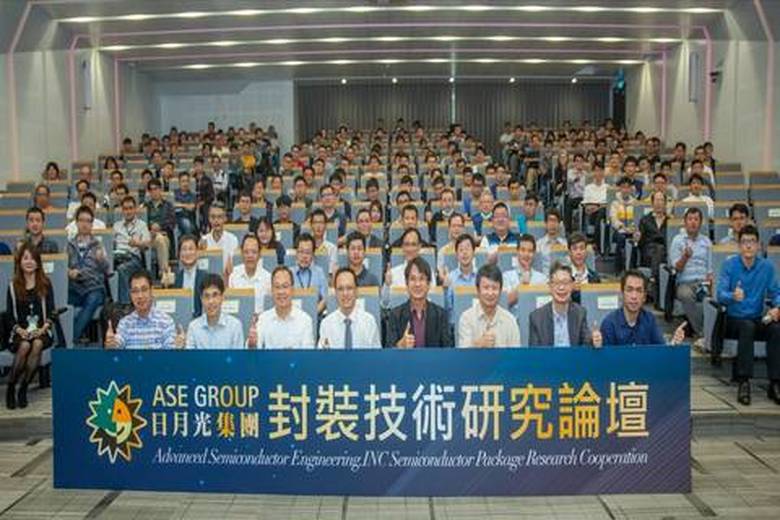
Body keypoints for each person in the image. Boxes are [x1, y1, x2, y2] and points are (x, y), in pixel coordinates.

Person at [715, 225, 780, 406]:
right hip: (733, 320)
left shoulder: (767, 267)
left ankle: (775, 383)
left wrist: (778, 307)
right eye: (744, 242)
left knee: (776, 329)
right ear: (739, 246)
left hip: (757, 318)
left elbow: (776, 293)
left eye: (752, 241)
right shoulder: (730, 265)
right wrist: (732, 296)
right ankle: (743, 382)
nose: (748, 246)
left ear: (759, 245)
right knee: (747, 326)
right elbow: (720, 294)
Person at [4, 243, 56, 409]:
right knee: (25, 345)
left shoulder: (45, 284)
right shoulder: (13, 286)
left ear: (38, 263)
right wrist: (20, 330)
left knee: (38, 343)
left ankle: (24, 388)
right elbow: (9, 316)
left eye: (33, 259)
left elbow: (52, 312)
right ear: (19, 262)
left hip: (42, 331)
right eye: (25, 258)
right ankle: (11, 386)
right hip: (19, 332)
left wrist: (43, 328)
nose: (29, 262)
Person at [601, 270, 686, 346]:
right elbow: (606, 357)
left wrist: (673, 343)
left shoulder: (649, 320)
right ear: (622, 294)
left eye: (639, 290)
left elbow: (660, 351)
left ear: (644, 297)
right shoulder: (609, 323)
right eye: (629, 290)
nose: (634, 296)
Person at [385, 257, 453, 348]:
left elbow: (448, 350)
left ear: (429, 284)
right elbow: (388, 351)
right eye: (413, 279)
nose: (417, 284)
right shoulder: (395, 315)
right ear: (406, 284)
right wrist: (400, 345)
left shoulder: (441, 315)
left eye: (421, 279)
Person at [528, 262, 600, 347]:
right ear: (550, 287)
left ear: (572, 286)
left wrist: (593, 340)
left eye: (565, 283)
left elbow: (585, 343)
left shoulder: (580, 313)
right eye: (557, 283)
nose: (561, 287)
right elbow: (534, 353)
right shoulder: (536, 317)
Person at [67, 206, 110, 343]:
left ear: (92, 224)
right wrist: (69, 272)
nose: (85, 224)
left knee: (93, 299)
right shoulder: (69, 245)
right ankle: (67, 337)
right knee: (60, 301)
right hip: (75, 288)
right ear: (76, 222)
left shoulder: (98, 245)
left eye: (88, 221)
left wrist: (101, 260)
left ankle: (70, 339)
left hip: (94, 288)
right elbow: (63, 267)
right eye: (81, 220)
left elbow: (107, 270)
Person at [105, 270, 178, 350]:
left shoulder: (166, 322)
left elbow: (170, 352)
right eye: (135, 291)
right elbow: (118, 345)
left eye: (144, 289)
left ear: (152, 291)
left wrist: (178, 347)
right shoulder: (125, 323)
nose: (140, 296)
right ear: (130, 295)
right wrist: (111, 345)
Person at [669, 207, 713, 338]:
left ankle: (712, 334)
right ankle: (702, 333)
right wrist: (685, 257)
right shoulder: (678, 240)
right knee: (686, 295)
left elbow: (710, 267)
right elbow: (676, 269)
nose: (693, 222)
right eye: (690, 219)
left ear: (700, 223)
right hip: (685, 282)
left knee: (714, 297)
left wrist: (711, 281)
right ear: (685, 222)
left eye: (696, 219)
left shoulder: (706, 242)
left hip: (703, 282)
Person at [247, 266, 315, 349]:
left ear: (292, 290)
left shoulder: (305, 320)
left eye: (285, 286)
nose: (281, 292)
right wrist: (252, 345)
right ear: (271, 290)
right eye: (277, 287)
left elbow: (308, 354)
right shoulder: (263, 319)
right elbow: (253, 350)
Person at [457, 264, 520, 348]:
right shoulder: (466, 318)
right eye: (486, 288)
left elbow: (515, 354)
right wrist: (478, 344)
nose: (490, 293)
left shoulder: (510, 320)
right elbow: (462, 354)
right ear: (478, 290)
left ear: (500, 291)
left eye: (494, 288)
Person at [318, 268, 381, 349]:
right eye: (340, 289)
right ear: (335, 293)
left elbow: (376, 355)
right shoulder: (326, 324)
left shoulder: (369, 322)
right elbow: (321, 356)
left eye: (349, 288)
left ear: (356, 291)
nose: (345, 293)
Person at [185, 274, 245, 349]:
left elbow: (237, 356)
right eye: (206, 296)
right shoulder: (193, 327)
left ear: (222, 297)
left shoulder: (235, 326)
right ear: (201, 299)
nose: (211, 301)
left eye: (215, 295)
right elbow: (190, 356)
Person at [113, 196, 151, 304]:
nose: (128, 211)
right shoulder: (116, 226)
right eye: (125, 209)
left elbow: (147, 244)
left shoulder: (142, 225)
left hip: (133, 258)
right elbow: (110, 243)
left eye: (130, 208)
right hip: (116, 256)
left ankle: (125, 304)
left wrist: (137, 243)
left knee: (122, 269)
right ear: (122, 210)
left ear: (135, 209)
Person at [163, 234, 207, 317]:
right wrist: (165, 287)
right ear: (179, 255)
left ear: (197, 253)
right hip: (179, 319)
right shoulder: (175, 278)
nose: (187, 253)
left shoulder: (205, 277)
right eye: (184, 249)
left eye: (191, 249)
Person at [228, 234, 271, 312]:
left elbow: (269, 309)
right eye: (246, 252)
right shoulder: (233, 275)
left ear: (259, 254)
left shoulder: (268, 278)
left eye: (254, 252)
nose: (250, 256)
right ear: (241, 253)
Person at [502, 234, 548, 308]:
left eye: (530, 251)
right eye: (523, 250)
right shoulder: (506, 277)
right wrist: (522, 285)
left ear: (534, 254)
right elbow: (504, 303)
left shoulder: (542, 279)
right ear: (517, 252)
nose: (526, 254)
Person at [442, 233, 478, 322]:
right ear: (457, 255)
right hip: (456, 324)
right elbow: (447, 309)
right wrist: (445, 289)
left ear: (474, 252)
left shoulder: (481, 277)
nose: (464, 253)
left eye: (467, 249)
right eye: (461, 250)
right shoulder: (450, 278)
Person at [144, 178, 175, 278]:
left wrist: (160, 226)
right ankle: (165, 274)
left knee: (161, 239)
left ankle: (163, 272)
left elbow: (172, 222)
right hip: (149, 237)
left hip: (164, 235)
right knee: (158, 238)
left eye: (156, 189)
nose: (154, 192)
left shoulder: (168, 206)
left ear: (160, 189)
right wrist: (151, 228)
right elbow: (142, 223)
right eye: (151, 189)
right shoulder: (145, 206)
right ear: (149, 192)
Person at [291, 233, 327, 314]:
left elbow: (325, 299)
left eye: (308, 252)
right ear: (296, 253)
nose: (304, 256)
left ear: (313, 254)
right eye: (301, 252)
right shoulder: (289, 273)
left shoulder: (319, 272)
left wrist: (313, 313)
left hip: (315, 314)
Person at [201, 202, 239, 276]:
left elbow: (233, 267)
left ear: (225, 218)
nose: (216, 220)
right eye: (213, 217)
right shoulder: (203, 240)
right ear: (209, 219)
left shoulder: (233, 239)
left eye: (219, 217)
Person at [609, 176, 638, 271]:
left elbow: (637, 219)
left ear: (631, 189)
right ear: (620, 188)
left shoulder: (635, 203)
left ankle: (632, 267)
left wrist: (632, 228)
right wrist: (623, 227)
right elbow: (613, 219)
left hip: (632, 230)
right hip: (619, 230)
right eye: (623, 187)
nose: (625, 190)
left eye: (627, 187)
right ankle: (619, 268)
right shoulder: (615, 203)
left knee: (636, 239)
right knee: (621, 238)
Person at [567, 232, 600, 304]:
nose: (579, 252)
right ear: (569, 252)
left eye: (582, 248)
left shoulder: (594, 277)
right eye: (575, 249)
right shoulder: (564, 276)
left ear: (586, 252)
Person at [582, 161, 608, 249]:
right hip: (592, 212)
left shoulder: (608, 187)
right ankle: (598, 244)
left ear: (604, 172)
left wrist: (599, 207)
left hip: (605, 212)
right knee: (600, 212)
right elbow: (586, 205)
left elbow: (609, 204)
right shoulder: (588, 188)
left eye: (601, 170)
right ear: (593, 172)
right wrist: (595, 207)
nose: (598, 173)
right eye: (596, 170)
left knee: (603, 211)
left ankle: (597, 243)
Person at [536, 209, 567, 275]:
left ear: (559, 224)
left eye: (555, 221)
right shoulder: (538, 244)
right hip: (544, 278)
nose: (552, 224)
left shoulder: (565, 244)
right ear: (545, 224)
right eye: (550, 221)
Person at [309, 209, 338, 275]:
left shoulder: (332, 248)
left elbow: (331, 272)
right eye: (315, 223)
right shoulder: (306, 247)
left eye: (321, 223)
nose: (318, 226)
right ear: (311, 225)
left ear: (325, 225)